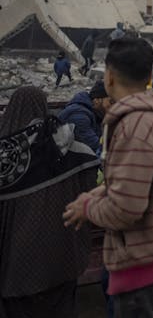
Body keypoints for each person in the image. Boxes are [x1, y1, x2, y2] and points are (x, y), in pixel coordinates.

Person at [63, 37, 153, 317]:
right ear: (149, 77)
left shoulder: (134, 126)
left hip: (144, 271)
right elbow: (143, 181)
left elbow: (126, 209)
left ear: (108, 76)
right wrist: (93, 195)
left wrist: (87, 207)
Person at [1, 86, 99, 318]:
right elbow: (91, 189)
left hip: (16, 269)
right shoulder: (71, 149)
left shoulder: (6, 159)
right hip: (63, 261)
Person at [57, 80, 111, 157]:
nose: (115, 106)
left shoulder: (97, 113)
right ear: (97, 100)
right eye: (111, 102)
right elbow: (96, 148)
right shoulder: (78, 116)